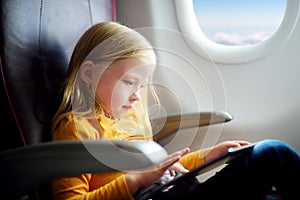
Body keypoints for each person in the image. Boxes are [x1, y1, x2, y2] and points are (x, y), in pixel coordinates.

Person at [51, 21, 300, 200]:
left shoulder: (127, 120)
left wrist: (209, 156)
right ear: (89, 74)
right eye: (129, 82)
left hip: (180, 189)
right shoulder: (77, 128)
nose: (137, 95)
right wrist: (135, 180)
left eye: (142, 84)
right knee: (272, 154)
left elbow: (165, 169)